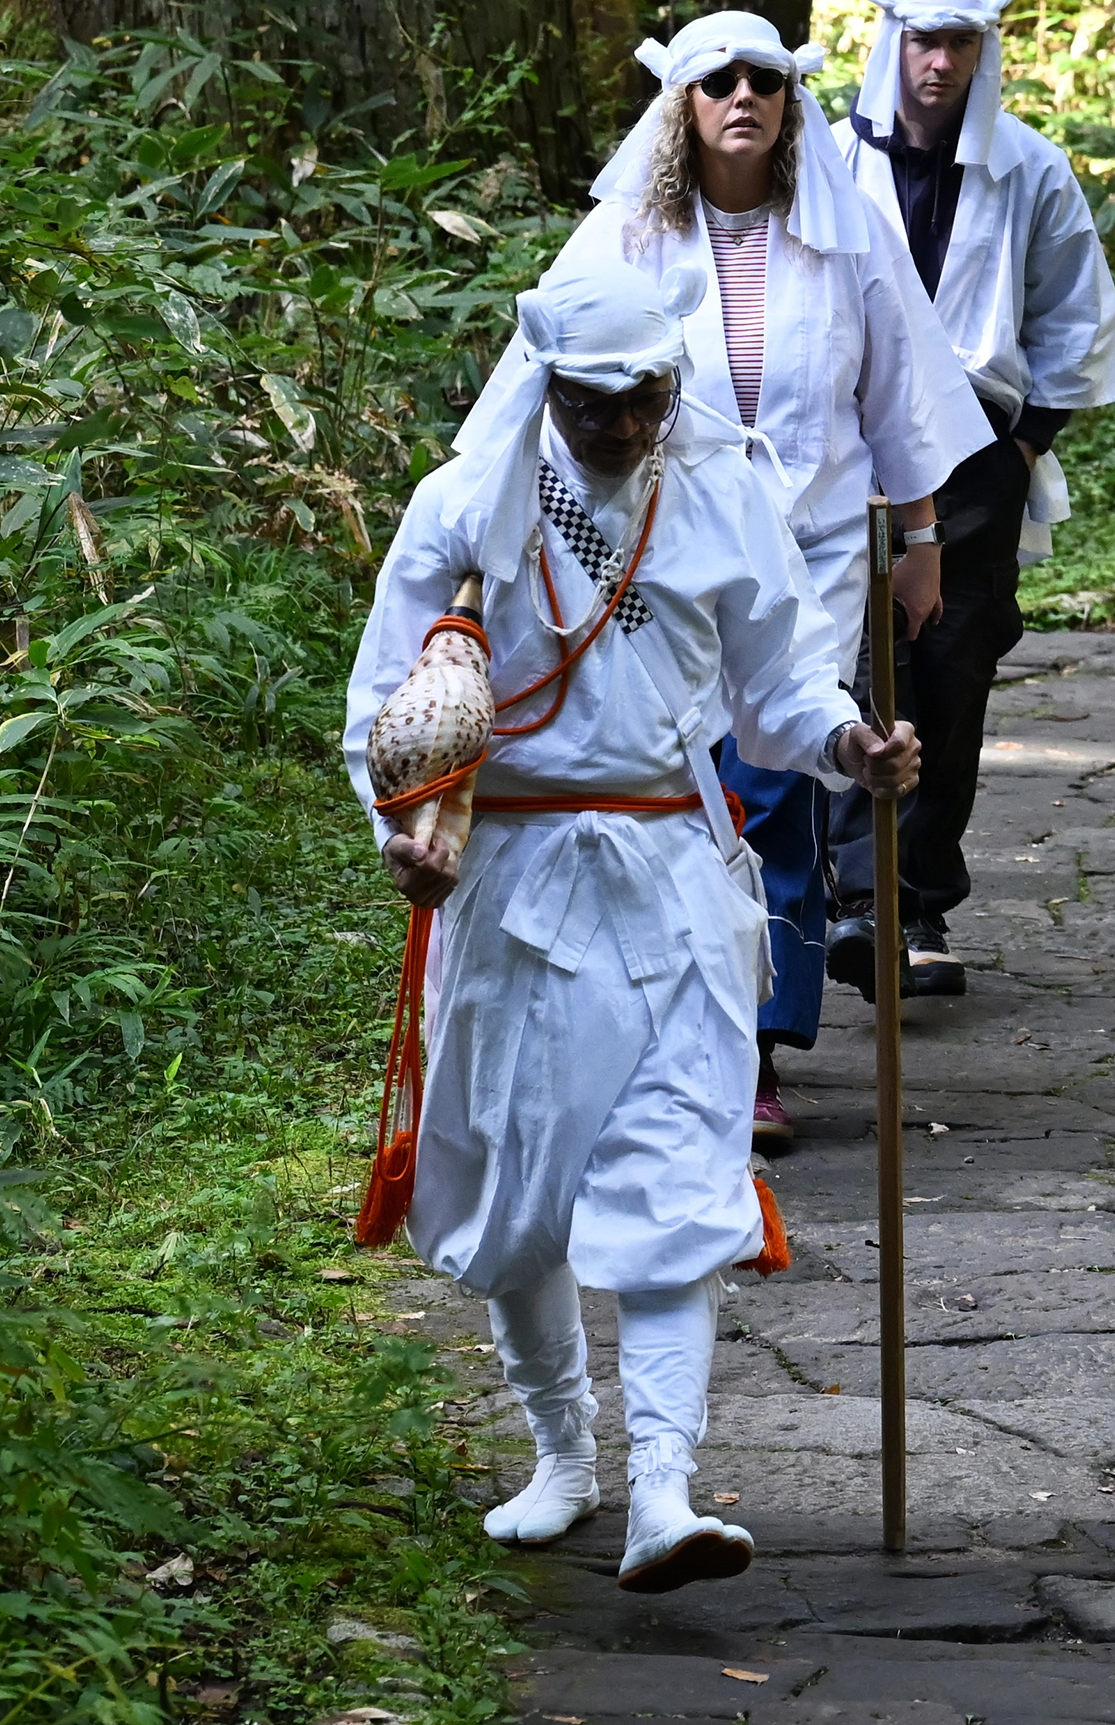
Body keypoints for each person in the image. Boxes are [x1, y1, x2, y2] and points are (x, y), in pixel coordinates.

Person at [345, 250, 918, 1579]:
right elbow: (388, 708)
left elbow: (783, 692)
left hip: (674, 875)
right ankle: (563, 1455)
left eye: (643, 394)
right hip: (514, 884)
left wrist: (852, 745)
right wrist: (407, 834)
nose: (619, 422)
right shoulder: (461, 512)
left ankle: (667, 1491)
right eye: (592, 398)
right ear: (545, 384)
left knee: (673, 1175)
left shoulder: (727, 499)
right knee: (525, 1186)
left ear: (676, 380)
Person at [548, 10, 991, 1147]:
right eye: (717, 82)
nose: (743, 97)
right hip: (662, 552)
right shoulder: (624, 239)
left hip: (814, 541)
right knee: (681, 785)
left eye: (765, 80)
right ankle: (663, 1029)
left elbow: (897, 395)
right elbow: (549, 388)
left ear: (792, 102)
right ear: (682, 104)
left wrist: (922, 541)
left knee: (780, 783)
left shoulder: (843, 236)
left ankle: (753, 1048)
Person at [829, 0, 1115, 995]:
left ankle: (916, 901)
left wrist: (1024, 443)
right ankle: (849, 895)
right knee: (844, 662)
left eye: (960, 42)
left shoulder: (1028, 168)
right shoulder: (829, 162)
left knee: (951, 670)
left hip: (973, 452)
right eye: (923, 39)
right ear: (892, 43)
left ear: (984, 50)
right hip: (850, 451)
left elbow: (1074, 313)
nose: (939, 61)